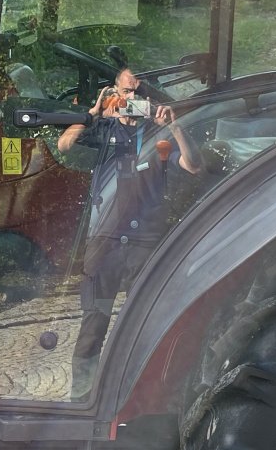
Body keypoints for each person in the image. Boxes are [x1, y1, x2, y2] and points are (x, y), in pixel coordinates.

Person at [57, 67, 201, 398]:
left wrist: (176, 127)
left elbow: (193, 165)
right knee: (94, 320)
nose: (131, 100)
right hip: (105, 239)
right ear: (115, 96)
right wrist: (93, 111)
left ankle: (144, 395)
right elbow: (65, 145)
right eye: (125, 93)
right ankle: (82, 395)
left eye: (137, 94)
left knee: (149, 318)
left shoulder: (159, 134)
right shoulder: (102, 128)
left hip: (146, 239)